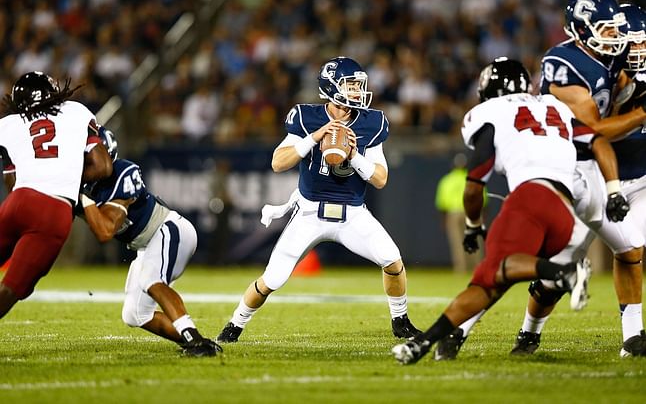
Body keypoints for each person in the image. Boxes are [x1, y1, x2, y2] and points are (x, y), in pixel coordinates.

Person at [433, 0, 646, 361]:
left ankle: (631, 338)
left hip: (596, 170)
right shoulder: (566, 64)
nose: (630, 46)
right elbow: (594, 130)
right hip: (565, 170)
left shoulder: (614, 58)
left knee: (625, 250)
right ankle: (458, 330)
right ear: (582, 31)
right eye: (621, 36)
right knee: (514, 259)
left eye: (632, 38)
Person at [392, 57, 624, 365]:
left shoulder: (491, 112)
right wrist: (614, 190)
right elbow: (599, 143)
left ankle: (562, 272)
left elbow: (475, 182)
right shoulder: (555, 108)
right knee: (499, 275)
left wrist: (474, 225)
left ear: (488, 89)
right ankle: (434, 342)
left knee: (492, 275)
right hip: (567, 212)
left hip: (531, 198)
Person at [216, 56, 420, 343]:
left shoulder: (372, 122)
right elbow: (278, 162)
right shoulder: (305, 116)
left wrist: (353, 156)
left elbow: (380, 178)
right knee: (272, 279)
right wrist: (314, 137)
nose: (357, 91)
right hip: (310, 212)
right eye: (351, 85)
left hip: (353, 213)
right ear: (332, 86)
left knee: (392, 260)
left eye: (358, 85)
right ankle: (234, 326)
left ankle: (401, 321)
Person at [77, 127, 221, 357]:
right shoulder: (84, 187)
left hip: (168, 229)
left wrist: (84, 199)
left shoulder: (123, 172)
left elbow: (105, 232)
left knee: (151, 280)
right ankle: (201, 341)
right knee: (134, 314)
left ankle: (194, 341)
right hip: (146, 244)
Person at [0, 71, 113, 319]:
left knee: (20, 284)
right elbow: (103, 167)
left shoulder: (8, 124)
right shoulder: (76, 111)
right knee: (11, 289)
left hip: (17, 201)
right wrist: (68, 176)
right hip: (53, 209)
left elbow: (12, 182)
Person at [435, 152, 482, 273]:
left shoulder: (447, 180)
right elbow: (483, 199)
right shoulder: (473, 178)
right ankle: (477, 268)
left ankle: (461, 269)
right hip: (471, 212)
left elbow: (442, 203)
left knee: (457, 242)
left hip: (454, 213)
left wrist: (444, 220)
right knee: (474, 240)